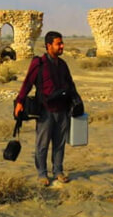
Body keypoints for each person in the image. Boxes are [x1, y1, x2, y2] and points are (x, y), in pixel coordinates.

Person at [15, 31, 77, 186]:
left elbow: (70, 84)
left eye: (62, 43)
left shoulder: (63, 64)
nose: (62, 46)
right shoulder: (39, 63)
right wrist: (20, 101)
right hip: (45, 111)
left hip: (62, 110)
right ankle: (42, 173)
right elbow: (28, 83)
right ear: (49, 45)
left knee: (59, 144)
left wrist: (76, 102)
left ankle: (58, 171)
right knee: (42, 144)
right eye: (58, 44)